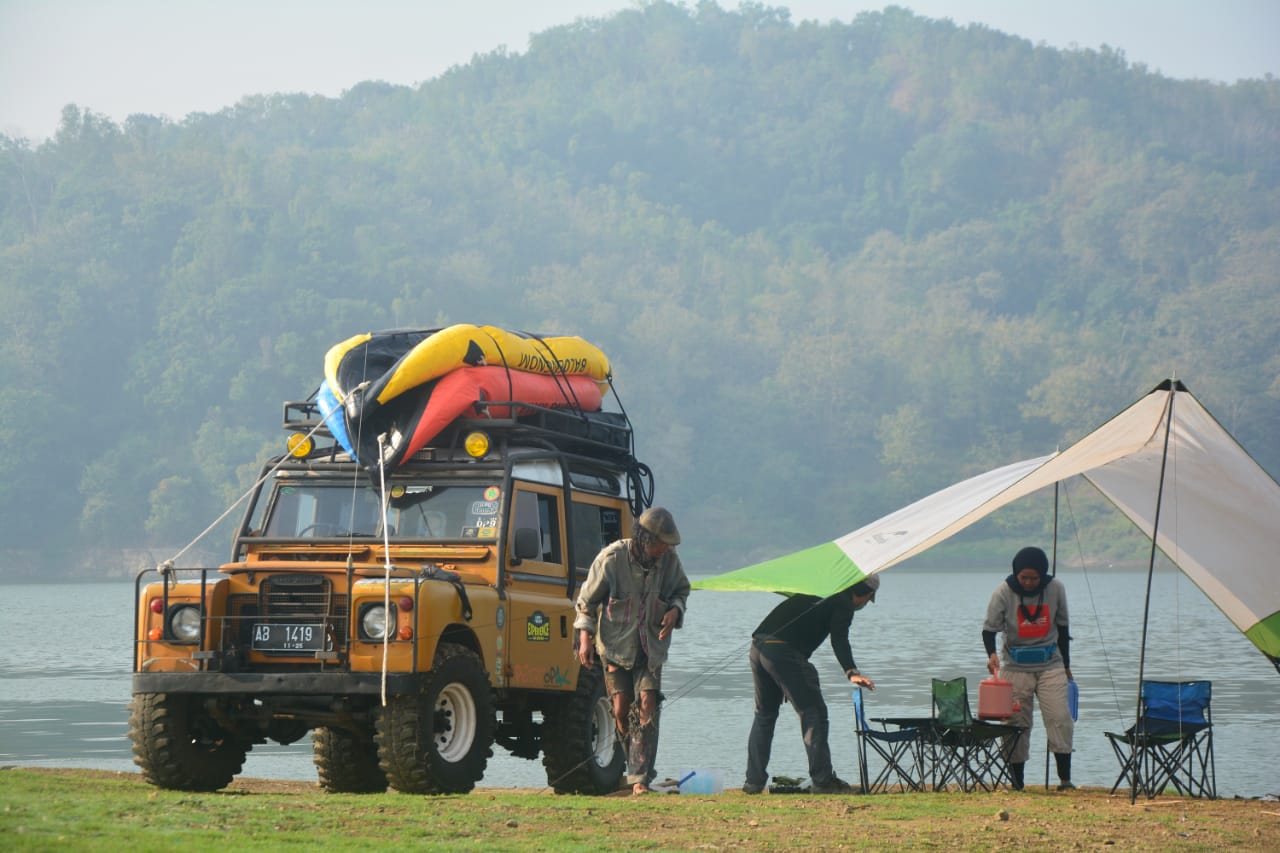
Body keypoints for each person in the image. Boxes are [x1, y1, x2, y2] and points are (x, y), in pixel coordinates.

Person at [574, 506, 691, 795]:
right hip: (615, 647)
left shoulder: (669, 562)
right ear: (645, 539)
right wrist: (585, 640)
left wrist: (675, 611)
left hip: (651, 648)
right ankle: (634, 766)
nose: (666, 548)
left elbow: (681, 591)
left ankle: (639, 778)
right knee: (620, 708)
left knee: (647, 704)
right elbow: (586, 602)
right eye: (662, 543)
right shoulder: (612, 559)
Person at [742, 575, 881, 795]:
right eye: (867, 600)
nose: (862, 605)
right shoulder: (844, 602)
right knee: (813, 713)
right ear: (866, 595)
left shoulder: (822, 587)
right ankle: (823, 781)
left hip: (757, 647)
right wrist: (851, 671)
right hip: (783, 652)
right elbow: (839, 638)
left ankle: (753, 782)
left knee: (764, 715)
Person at [982, 545, 1075, 791]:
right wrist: (991, 654)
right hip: (1014, 667)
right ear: (1016, 573)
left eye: (1034, 578)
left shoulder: (1056, 588)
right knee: (1015, 724)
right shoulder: (1003, 591)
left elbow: (1063, 629)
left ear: (1042, 575)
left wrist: (1067, 665)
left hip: (1050, 665)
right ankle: (1017, 782)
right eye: (1024, 578)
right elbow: (989, 629)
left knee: (1060, 718)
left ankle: (1065, 780)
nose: (1029, 583)